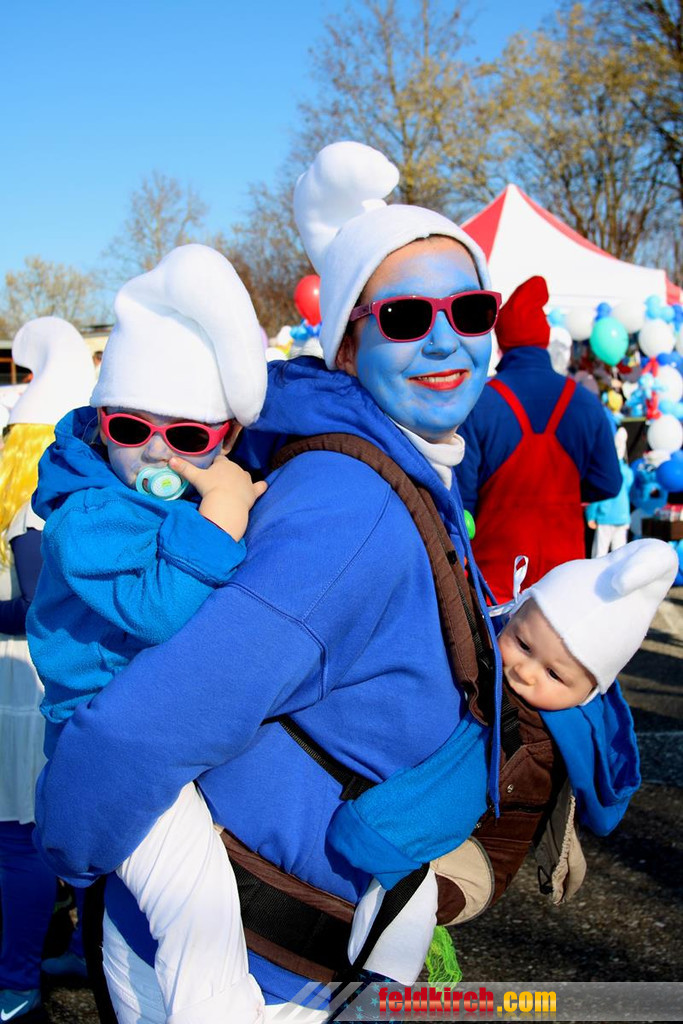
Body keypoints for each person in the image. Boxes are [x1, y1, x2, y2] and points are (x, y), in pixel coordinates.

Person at [33, 142, 548, 1021]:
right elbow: (149, 725)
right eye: (403, 317)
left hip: (285, 942)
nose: (443, 338)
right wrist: (72, 844)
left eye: (468, 309)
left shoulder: (399, 461)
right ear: (346, 342)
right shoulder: (352, 508)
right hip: (248, 966)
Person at [27, 246, 268, 1024]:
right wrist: (224, 513)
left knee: (155, 927)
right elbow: (159, 610)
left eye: (189, 436)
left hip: (158, 721)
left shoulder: (156, 497)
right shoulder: (85, 517)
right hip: (106, 737)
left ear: (226, 436)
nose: (159, 451)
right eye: (133, 426)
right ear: (102, 426)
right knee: (198, 905)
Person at [327, 538, 676, 895]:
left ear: (587, 694)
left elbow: (455, 788)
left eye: (554, 675)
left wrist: (375, 838)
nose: (525, 671)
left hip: (432, 856)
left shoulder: (532, 732)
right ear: (512, 613)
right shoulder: (487, 649)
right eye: (523, 644)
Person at [0, 317, 95, 1023]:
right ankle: (73, 955)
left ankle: (18, 980)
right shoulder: (74, 476)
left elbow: (33, 602)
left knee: (21, 838)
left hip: (25, 683)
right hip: (46, 677)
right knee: (54, 831)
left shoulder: (26, 480)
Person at [457, 275, 622, 603]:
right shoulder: (586, 403)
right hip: (565, 582)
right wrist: (560, 493)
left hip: (496, 583)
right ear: (544, 338)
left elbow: (463, 503)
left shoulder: (477, 403)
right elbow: (608, 483)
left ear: (502, 339)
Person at [586, 426, 634, 557]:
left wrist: (591, 515)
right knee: (620, 554)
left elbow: (597, 493)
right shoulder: (626, 471)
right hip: (622, 516)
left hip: (605, 516)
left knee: (599, 554)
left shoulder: (604, 470)